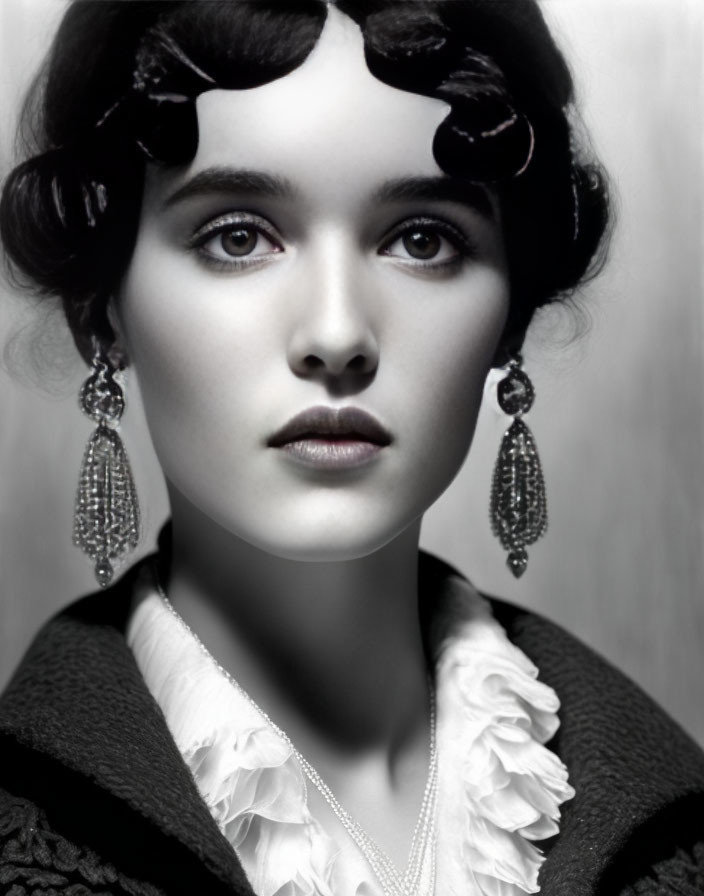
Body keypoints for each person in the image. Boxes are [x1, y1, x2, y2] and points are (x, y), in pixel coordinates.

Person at [0, 2, 702, 895]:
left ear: (510, 321)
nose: (336, 335)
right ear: (103, 311)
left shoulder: (673, 827)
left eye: (421, 240)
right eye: (239, 236)